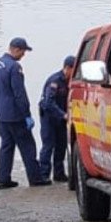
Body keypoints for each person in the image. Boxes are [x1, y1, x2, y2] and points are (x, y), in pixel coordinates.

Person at [0, 37, 49, 189]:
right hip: (16, 115)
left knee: (6, 146)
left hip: (1, 113)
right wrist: (27, 115)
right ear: (16, 49)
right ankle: (35, 178)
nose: (23, 55)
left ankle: (3, 179)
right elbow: (19, 94)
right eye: (23, 51)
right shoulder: (14, 67)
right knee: (28, 146)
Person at [39, 54, 76, 183]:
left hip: (61, 119)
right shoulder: (55, 81)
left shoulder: (70, 82)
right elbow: (48, 103)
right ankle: (43, 174)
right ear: (67, 68)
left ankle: (59, 174)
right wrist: (63, 115)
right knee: (48, 145)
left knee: (61, 145)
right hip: (49, 118)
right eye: (74, 70)